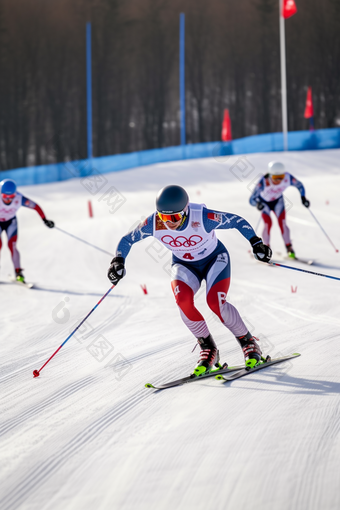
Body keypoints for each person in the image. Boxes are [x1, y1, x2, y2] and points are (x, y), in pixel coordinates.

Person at [107, 184, 272, 375]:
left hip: (214, 259)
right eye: (164, 217)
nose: (169, 223)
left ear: (185, 212)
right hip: (184, 265)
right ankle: (208, 349)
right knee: (183, 301)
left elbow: (236, 221)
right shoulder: (153, 223)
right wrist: (117, 261)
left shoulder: (201, 217)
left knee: (215, 303)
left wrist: (256, 243)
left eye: (174, 217)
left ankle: (249, 343)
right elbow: (127, 240)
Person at [249, 161, 310, 258]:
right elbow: (251, 200)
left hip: (278, 202)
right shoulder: (263, 181)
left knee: (282, 223)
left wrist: (303, 197)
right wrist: (257, 204)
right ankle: (265, 249)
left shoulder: (288, 177)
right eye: (275, 178)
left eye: (281, 177)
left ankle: (289, 247)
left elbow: (299, 185)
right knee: (268, 223)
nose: (278, 181)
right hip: (265, 203)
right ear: (270, 175)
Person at [0, 179, 55, 283]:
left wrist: (44, 219)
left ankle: (18, 273)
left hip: (11, 222)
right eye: (5, 196)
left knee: (12, 246)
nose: (8, 199)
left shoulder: (19, 198)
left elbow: (35, 206)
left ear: (14, 194)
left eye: (11, 197)